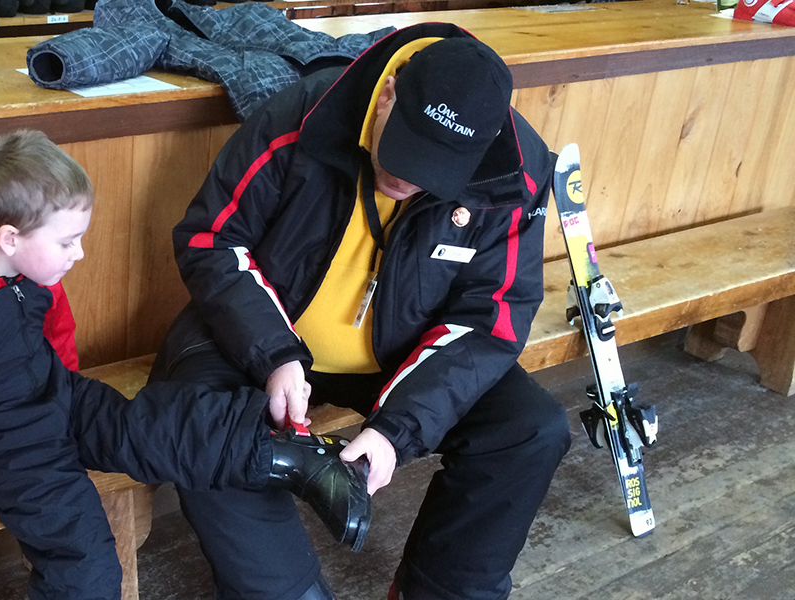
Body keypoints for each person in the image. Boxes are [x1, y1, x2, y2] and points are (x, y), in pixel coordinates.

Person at [149, 23, 572, 600]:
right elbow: (211, 242)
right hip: (261, 339)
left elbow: (490, 321)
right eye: (403, 152)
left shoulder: (514, 173)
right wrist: (276, 357)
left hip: (400, 354)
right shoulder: (300, 115)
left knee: (530, 430)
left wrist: (396, 430)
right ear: (388, 94)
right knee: (201, 423)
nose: (406, 179)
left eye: (434, 172)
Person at [0, 130, 372, 600]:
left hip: (61, 400)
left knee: (158, 423)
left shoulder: (35, 274)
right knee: (85, 562)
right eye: (67, 241)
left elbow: (58, 334)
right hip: (11, 446)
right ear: (10, 237)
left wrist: (67, 390)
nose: (80, 252)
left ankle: (288, 456)